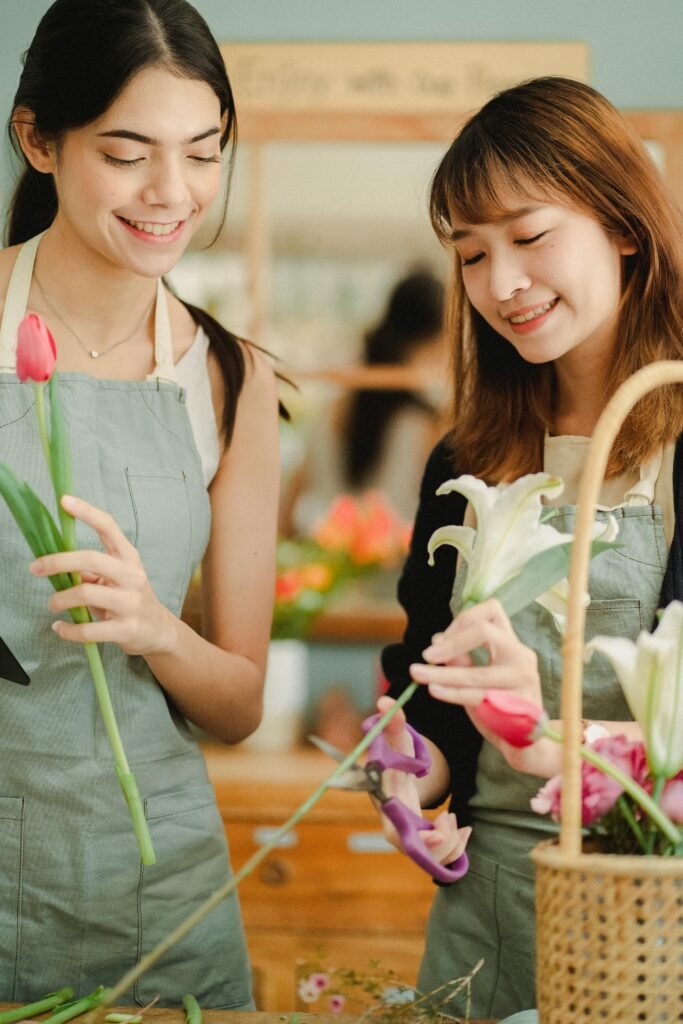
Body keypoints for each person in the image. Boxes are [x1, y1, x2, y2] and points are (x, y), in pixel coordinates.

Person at [375, 76, 683, 1020]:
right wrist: (400, 766)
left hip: (645, 913)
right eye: (470, 255)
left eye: (529, 236)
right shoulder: (466, 459)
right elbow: (428, 696)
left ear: (624, 224)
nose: (499, 283)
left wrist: (545, 735)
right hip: (484, 915)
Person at [0, 0, 281, 1007]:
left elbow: (240, 704)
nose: (173, 193)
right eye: (127, 153)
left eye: (203, 153)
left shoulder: (227, 378)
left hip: (159, 885)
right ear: (39, 139)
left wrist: (154, 626)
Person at [284, 269, 446, 535]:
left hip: (328, 569)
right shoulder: (426, 426)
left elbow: (289, 507)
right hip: (396, 573)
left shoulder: (333, 410)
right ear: (437, 338)